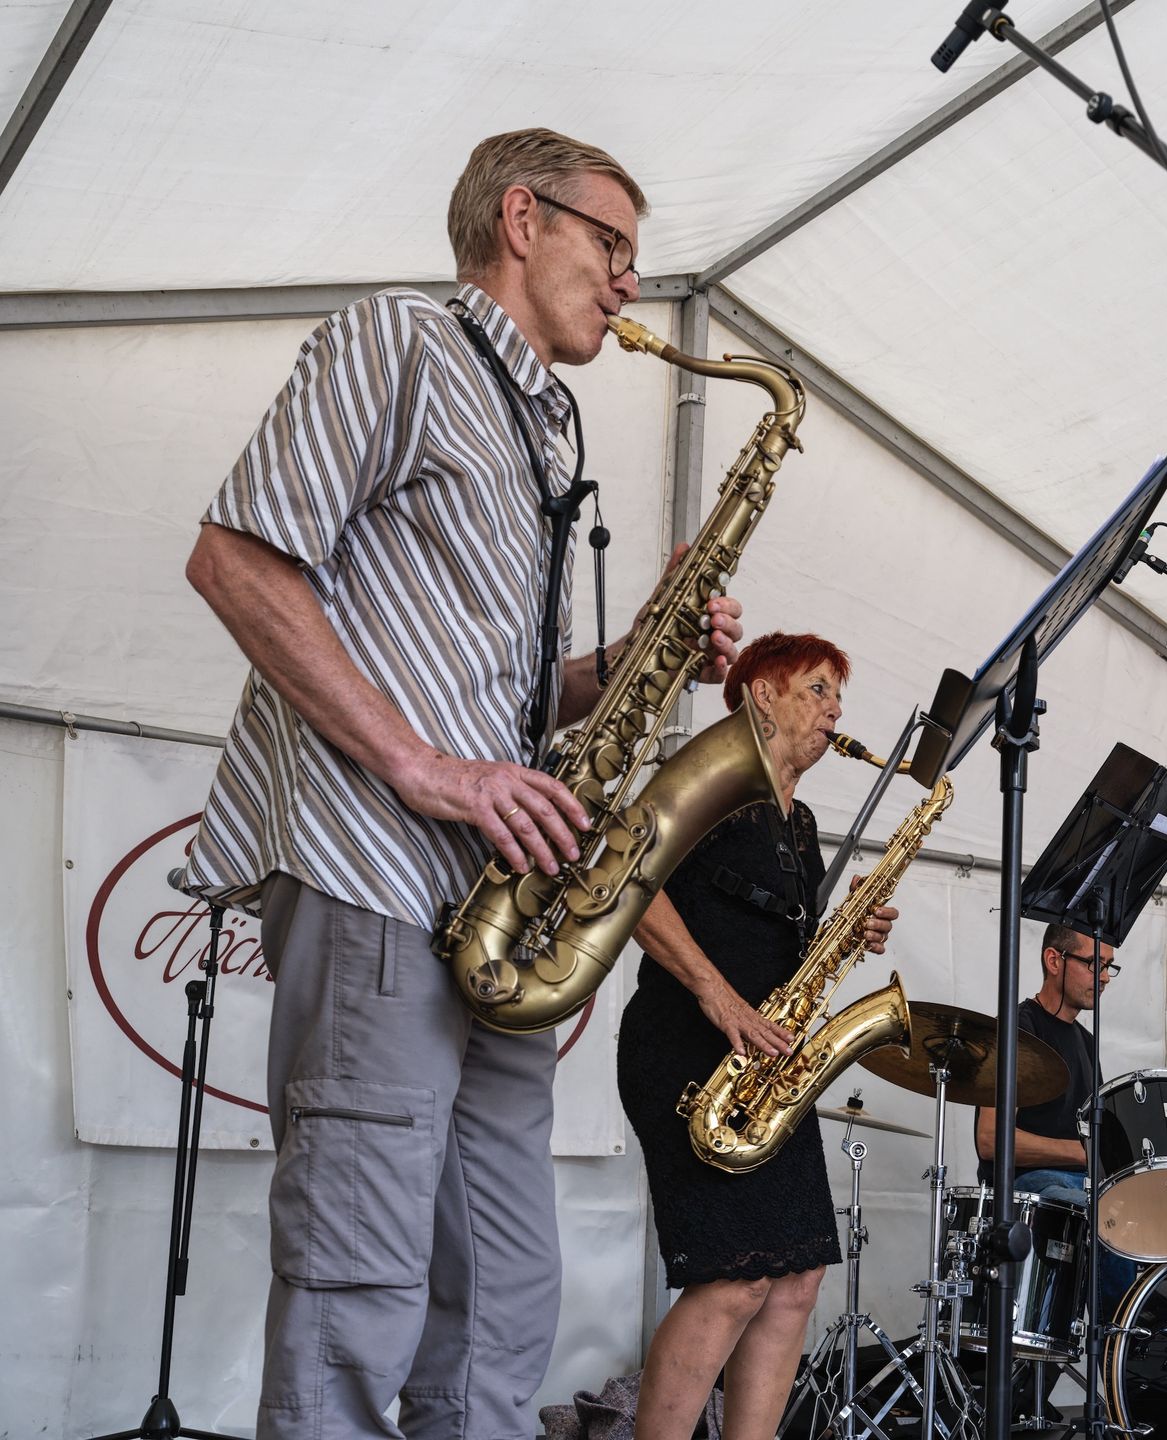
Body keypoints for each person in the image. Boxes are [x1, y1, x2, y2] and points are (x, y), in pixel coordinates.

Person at [179, 128, 744, 1440]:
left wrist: (635, 653)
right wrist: (422, 767)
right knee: (359, 1284)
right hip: (377, 874)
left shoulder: (538, 431)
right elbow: (235, 560)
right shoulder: (401, 340)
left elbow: (509, 704)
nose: (630, 282)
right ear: (521, 218)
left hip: (494, 915)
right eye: (613, 244)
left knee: (504, 1288)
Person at [617, 632, 898, 1440]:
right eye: (817, 688)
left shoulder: (798, 822)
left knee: (797, 1281)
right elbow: (628, 880)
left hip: (766, 1069)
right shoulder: (711, 782)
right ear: (761, 694)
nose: (834, 709)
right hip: (688, 1050)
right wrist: (716, 996)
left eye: (838, 694)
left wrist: (847, 932)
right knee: (731, 1282)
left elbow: (775, 948)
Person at [973, 923, 1134, 1311]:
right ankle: (1116, 1336)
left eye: (1110, 966)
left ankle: (1139, 1335)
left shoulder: (1087, 1043)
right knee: (1104, 1217)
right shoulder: (1017, 1029)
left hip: (1082, 1184)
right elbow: (991, 1140)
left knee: (1148, 1214)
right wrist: (1082, 1153)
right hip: (1027, 1187)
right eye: (1094, 963)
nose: (1104, 977)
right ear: (1054, 960)